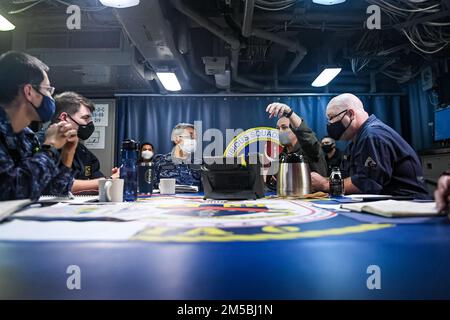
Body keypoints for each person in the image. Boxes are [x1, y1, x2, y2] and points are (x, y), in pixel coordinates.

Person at [311, 93, 430, 199]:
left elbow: (368, 183)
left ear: (351, 114)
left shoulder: (372, 136)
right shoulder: (355, 142)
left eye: (332, 118)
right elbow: (347, 178)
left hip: (409, 204)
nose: (330, 124)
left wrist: (325, 184)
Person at [0, 51, 78, 201]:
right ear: (29, 92)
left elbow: (51, 191)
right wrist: (49, 147)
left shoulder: (26, 136)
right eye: (48, 90)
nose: (51, 97)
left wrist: (67, 154)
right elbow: (11, 192)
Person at [52, 91, 119, 194]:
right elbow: (58, 185)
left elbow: (95, 177)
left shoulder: (83, 152)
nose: (90, 123)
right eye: (85, 118)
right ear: (64, 118)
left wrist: (111, 179)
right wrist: (109, 181)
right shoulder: (41, 146)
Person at [264, 102, 328, 190]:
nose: (280, 132)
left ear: (295, 130)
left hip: (313, 200)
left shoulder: (310, 150)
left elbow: (306, 137)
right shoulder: (281, 157)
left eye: (284, 127)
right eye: (277, 129)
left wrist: (290, 113)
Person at [153, 123, 201, 190]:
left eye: (195, 137)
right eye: (190, 135)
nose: (193, 140)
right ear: (176, 138)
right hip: (165, 199)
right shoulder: (160, 161)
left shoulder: (200, 163)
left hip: (195, 199)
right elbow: (152, 186)